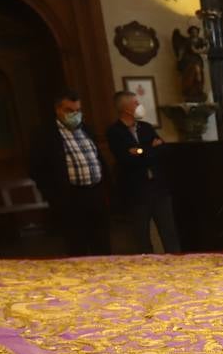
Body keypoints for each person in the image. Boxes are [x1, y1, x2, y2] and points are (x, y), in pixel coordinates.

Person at [29, 87, 110, 256]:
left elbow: (98, 158)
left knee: (102, 242)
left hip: (94, 193)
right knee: (77, 244)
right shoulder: (45, 134)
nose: (75, 114)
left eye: (78, 110)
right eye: (69, 110)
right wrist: (54, 196)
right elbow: (36, 168)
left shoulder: (86, 129)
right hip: (70, 197)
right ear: (58, 110)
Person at [105, 91, 179, 254]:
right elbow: (126, 159)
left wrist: (140, 151)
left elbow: (164, 150)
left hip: (159, 188)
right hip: (137, 191)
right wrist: (151, 149)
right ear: (125, 108)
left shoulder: (145, 127)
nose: (139, 106)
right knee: (142, 238)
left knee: (169, 234)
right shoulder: (115, 132)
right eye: (135, 103)